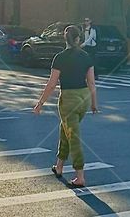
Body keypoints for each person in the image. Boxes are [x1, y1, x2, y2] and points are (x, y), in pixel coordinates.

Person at [33, 24, 98, 188]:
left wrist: (40, 103)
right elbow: (91, 82)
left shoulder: (60, 57)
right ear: (78, 39)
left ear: (65, 39)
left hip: (68, 99)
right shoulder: (86, 56)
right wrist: (94, 104)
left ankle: (80, 176)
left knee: (73, 136)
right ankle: (59, 166)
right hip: (84, 98)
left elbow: (52, 83)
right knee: (66, 130)